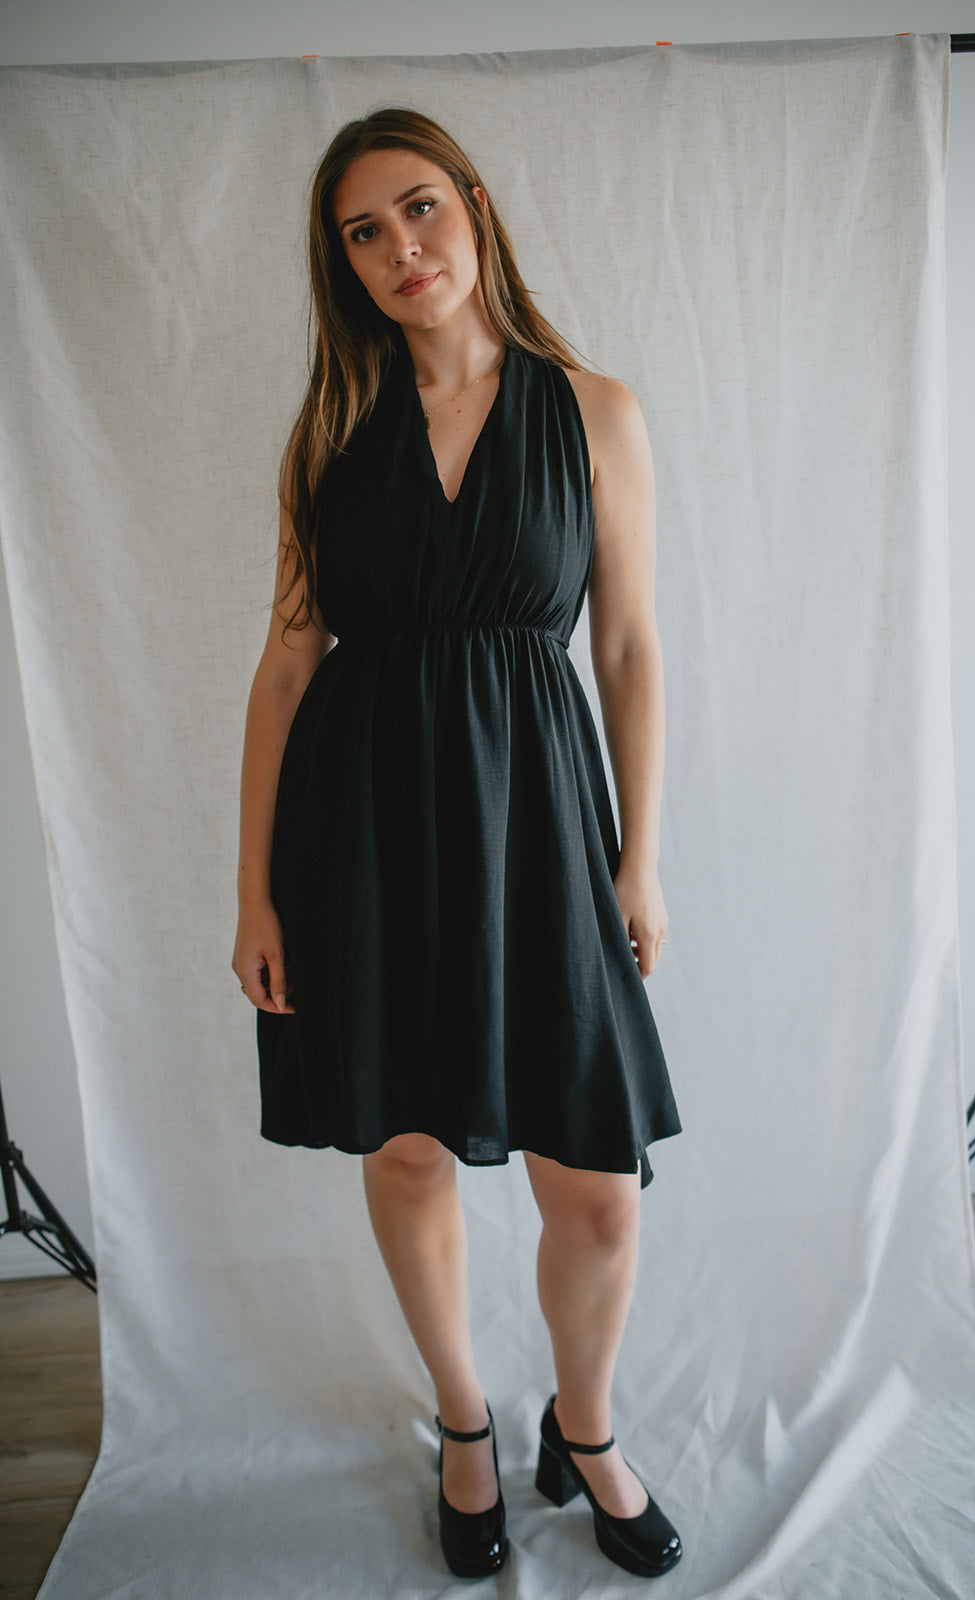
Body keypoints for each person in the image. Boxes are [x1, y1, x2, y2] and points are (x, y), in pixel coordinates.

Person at [231, 107, 684, 1582]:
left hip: (542, 827)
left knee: (595, 1183)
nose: (400, 249)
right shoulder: (327, 439)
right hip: (364, 831)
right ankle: (464, 1419)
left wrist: (640, 856)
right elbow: (286, 667)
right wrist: (254, 891)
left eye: (419, 208)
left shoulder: (594, 411)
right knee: (411, 1147)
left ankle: (585, 1426)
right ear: (343, 262)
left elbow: (627, 647)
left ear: (474, 207)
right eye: (363, 232)